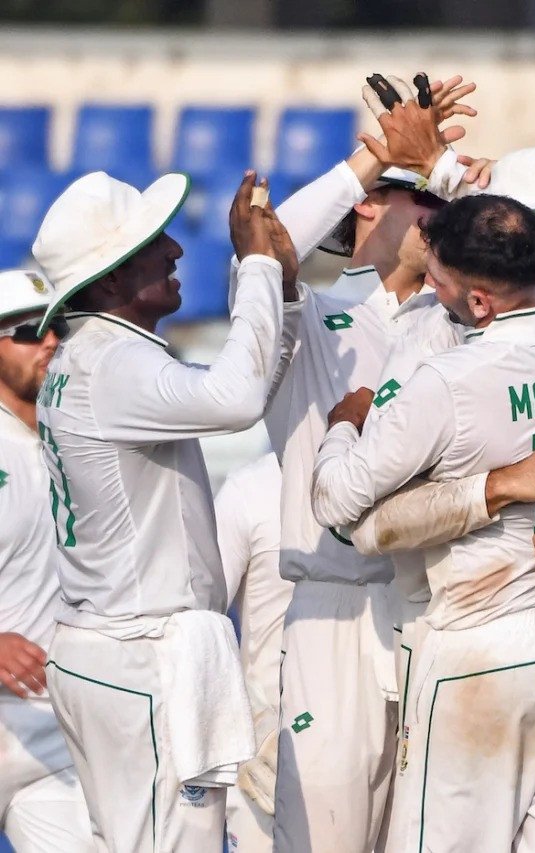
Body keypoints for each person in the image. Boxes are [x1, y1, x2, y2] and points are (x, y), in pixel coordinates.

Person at [311, 195, 535, 853]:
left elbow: (337, 503)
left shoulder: (449, 381)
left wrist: (344, 423)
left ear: (480, 303)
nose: (430, 288)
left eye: (439, 279)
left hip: (481, 646)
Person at [32, 169, 295, 852]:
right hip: (142, 655)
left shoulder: (91, 357)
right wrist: (260, 266)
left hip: (113, 648)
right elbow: (237, 401)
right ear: (113, 281)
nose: (177, 250)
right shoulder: (113, 363)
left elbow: (250, 385)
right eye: (155, 241)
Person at [0, 269, 93, 853]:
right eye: (31, 330)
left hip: (54, 733)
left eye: (57, 326)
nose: (52, 341)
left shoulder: (82, 438)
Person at [214, 453, 290, 853]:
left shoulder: (389, 472)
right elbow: (202, 624)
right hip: (265, 752)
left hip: (369, 739)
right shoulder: (247, 491)